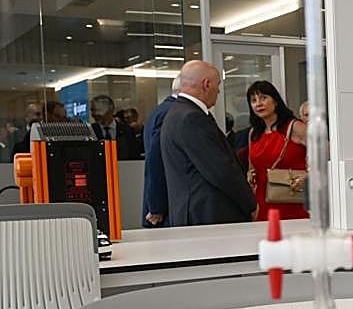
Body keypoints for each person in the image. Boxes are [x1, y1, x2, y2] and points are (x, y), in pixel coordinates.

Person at [160, 60, 257, 226]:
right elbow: (220, 170)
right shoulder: (192, 118)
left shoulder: (176, 113)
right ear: (206, 84)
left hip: (192, 212)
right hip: (207, 214)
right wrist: (250, 203)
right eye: (217, 85)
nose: (218, 91)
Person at [245, 80, 308, 222]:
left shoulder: (294, 127)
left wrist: (310, 175)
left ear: (275, 101)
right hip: (262, 200)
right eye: (253, 100)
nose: (258, 104)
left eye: (263, 98)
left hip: (292, 197)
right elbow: (251, 166)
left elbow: (324, 151)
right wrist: (250, 174)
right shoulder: (254, 133)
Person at [142, 78, 181, 227]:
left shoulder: (160, 110)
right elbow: (156, 159)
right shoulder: (171, 113)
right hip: (167, 201)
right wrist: (156, 206)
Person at [90, 95, 141, 159]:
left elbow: (134, 155)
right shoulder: (90, 131)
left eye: (97, 110)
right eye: (92, 110)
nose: (94, 114)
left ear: (110, 110)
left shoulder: (127, 131)